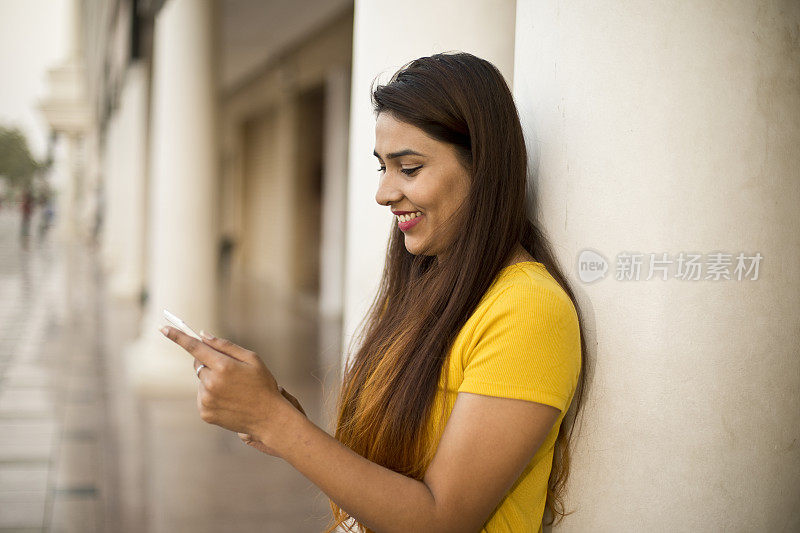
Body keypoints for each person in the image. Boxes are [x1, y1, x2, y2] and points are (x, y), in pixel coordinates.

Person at [160, 51, 587, 533]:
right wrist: (275, 417)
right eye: (382, 167)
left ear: (483, 168)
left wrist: (277, 423)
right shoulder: (433, 281)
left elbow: (440, 520)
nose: (383, 193)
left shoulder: (528, 309)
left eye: (409, 169)